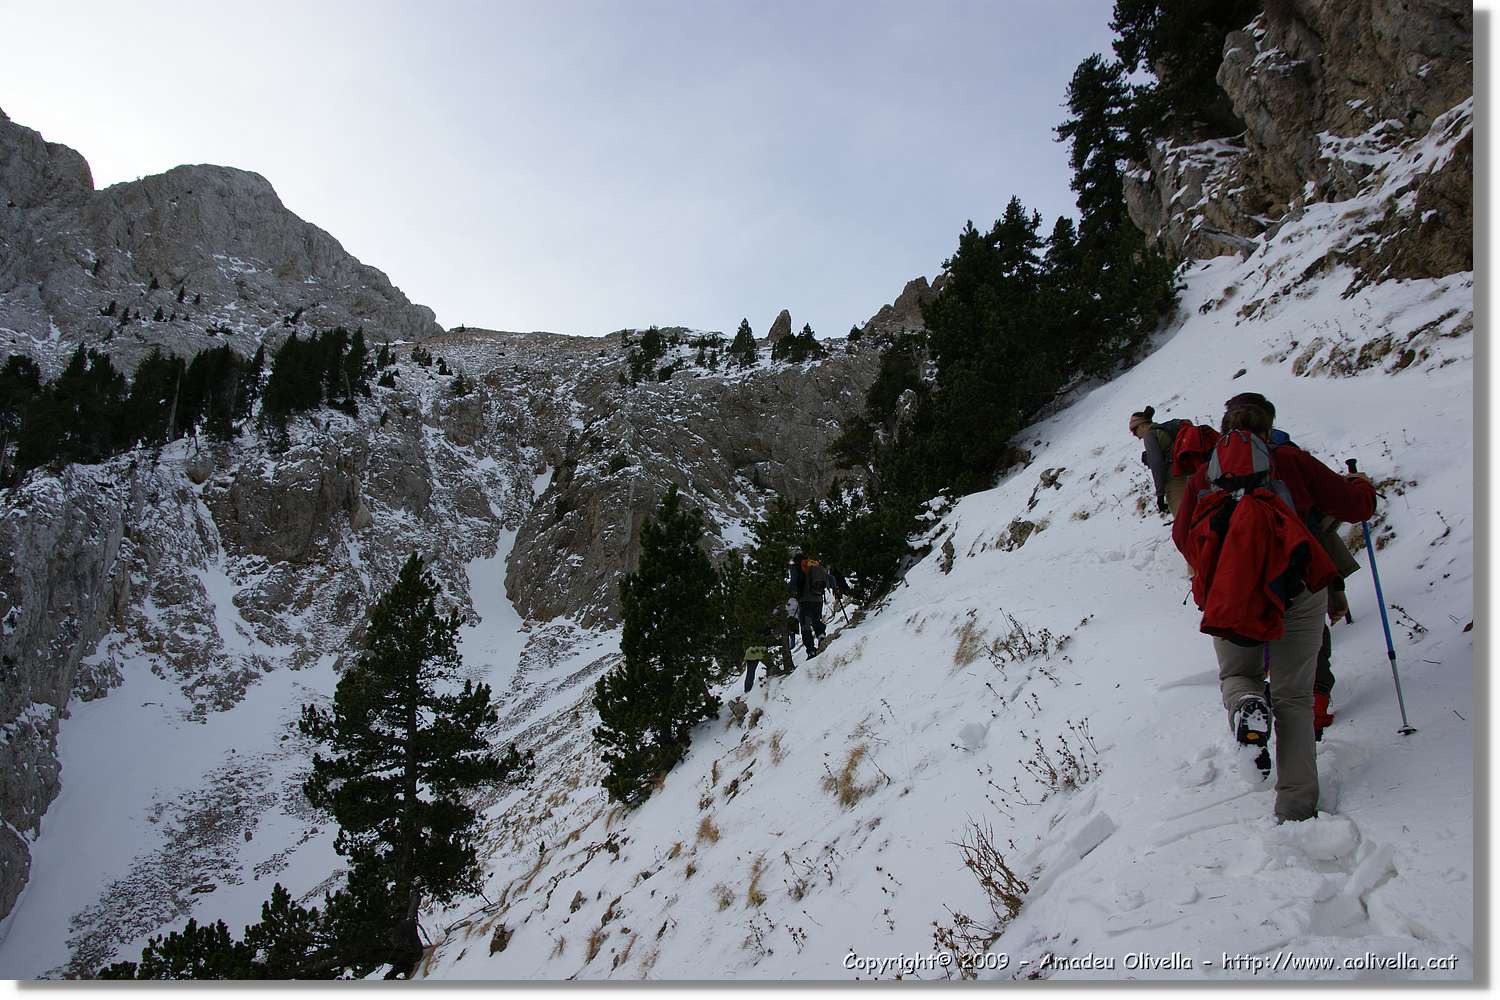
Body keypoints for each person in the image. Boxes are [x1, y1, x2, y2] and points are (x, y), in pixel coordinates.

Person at [1173, 393, 1376, 823]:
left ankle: (1248, 702)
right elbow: (1355, 506)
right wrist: (1360, 486)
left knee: (1237, 674)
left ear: (1225, 427)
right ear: (1270, 428)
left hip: (1230, 594)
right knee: (1294, 697)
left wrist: (1219, 569)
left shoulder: (1202, 476)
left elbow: (1181, 536)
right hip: (1296, 590)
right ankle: (1296, 804)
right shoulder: (1290, 460)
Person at [1242, 391, 1362, 737]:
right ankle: (1315, 703)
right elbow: (1344, 507)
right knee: (1310, 639)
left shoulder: (1216, 468)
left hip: (1246, 576)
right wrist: (1362, 489)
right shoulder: (1289, 457)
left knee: (1263, 633)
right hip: (1302, 566)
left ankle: (1261, 698)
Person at [1129, 406, 1217, 516]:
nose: (1136, 436)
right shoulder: (1164, 430)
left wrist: (1160, 495)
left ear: (1141, 425)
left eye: (1134, 431)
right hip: (1191, 473)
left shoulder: (1150, 436)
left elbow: (1157, 464)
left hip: (1175, 480)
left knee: (1184, 518)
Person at [787, 550, 829, 657]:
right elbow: (829, 577)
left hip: (805, 600)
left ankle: (811, 650)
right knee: (816, 619)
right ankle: (821, 635)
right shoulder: (814, 563)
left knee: (805, 625)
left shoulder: (796, 566)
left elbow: (793, 582)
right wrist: (833, 587)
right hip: (818, 598)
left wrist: (787, 591)